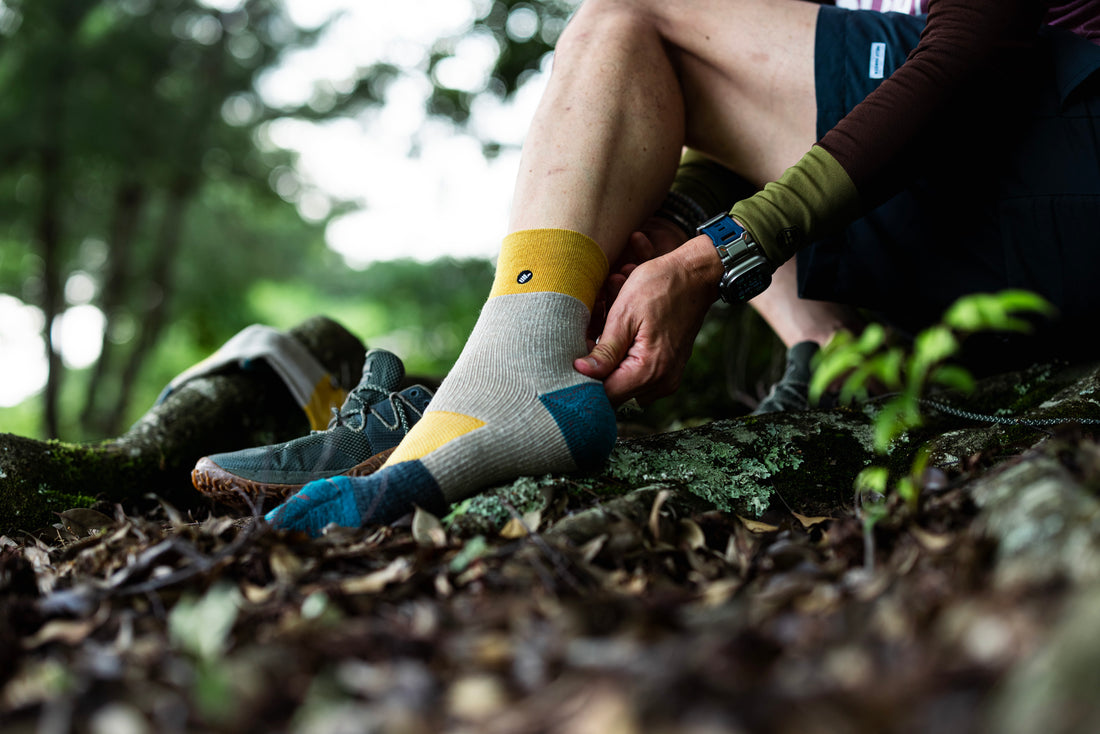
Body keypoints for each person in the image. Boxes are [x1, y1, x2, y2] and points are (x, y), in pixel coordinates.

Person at [263, 0, 1100, 536]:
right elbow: (782, 112)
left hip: (1073, 160)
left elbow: (973, 54)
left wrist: (716, 256)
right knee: (683, 60)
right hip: (1019, 230)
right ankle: (815, 364)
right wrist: (665, 236)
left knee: (632, 18)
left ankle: (509, 374)